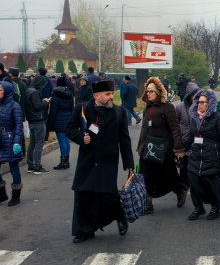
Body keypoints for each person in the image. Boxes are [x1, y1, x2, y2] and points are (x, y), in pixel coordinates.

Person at [65, 80, 134, 243]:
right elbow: (69, 129)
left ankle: (120, 217)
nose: (111, 97)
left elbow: (124, 140)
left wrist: (128, 164)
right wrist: (81, 138)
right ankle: (84, 230)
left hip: (108, 161)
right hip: (87, 160)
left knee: (108, 196)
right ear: (96, 96)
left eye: (112, 94)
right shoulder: (82, 109)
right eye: (107, 94)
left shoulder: (119, 112)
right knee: (83, 195)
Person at [136, 77, 187, 214]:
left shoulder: (168, 108)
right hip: (147, 149)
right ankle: (148, 203)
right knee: (146, 175)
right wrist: (140, 147)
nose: (148, 94)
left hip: (163, 149)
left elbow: (175, 128)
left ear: (158, 92)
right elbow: (144, 129)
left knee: (167, 175)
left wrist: (178, 147)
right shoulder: (148, 108)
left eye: (151, 91)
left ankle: (180, 189)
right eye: (147, 92)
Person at [185, 89, 220, 220]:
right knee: (194, 185)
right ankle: (198, 208)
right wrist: (180, 148)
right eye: (198, 102)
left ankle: (215, 207)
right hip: (195, 157)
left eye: (202, 102)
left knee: (211, 186)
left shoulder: (218, 118)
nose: (199, 104)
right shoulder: (194, 118)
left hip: (211, 157)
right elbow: (190, 137)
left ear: (210, 103)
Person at [0, 81, 24, 207]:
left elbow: (19, 126)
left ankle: (16, 195)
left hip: (11, 140)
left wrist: (16, 142)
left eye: (0, 90)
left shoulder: (15, 106)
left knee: (14, 168)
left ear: (7, 91)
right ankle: (1, 194)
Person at [175, 80, 201, 185]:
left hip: (198, 141)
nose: (196, 97)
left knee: (196, 165)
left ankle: (195, 184)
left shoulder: (201, 105)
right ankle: (184, 186)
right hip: (184, 141)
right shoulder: (179, 107)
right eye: (194, 95)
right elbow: (175, 125)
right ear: (189, 95)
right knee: (184, 166)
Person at [25, 75, 51, 174]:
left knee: (32, 144)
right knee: (38, 144)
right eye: (43, 85)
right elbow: (37, 106)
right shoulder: (35, 92)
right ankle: (37, 167)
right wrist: (45, 102)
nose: (43, 87)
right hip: (38, 120)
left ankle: (31, 165)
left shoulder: (28, 90)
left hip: (31, 120)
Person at [48, 77, 74, 170]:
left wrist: (50, 125)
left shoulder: (55, 94)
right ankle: (66, 161)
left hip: (59, 119)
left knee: (62, 141)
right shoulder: (69, 94)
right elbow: (72, 108)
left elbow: (53, 111)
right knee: (66, 141)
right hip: (68, 118)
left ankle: (63, 162)